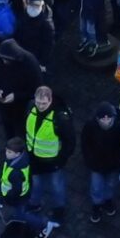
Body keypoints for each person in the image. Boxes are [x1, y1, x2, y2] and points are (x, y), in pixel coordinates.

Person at [25, 85, 75, 224]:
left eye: (44, 103)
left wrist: (61, 159)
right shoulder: (30, 107)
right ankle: (35, 204)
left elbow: (70, 141)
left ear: (50, 100)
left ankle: (59, 211)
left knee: (56, 186)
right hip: (34, 158)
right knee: (35, 183)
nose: (41, 106)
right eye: (38, 102)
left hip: (53, 161)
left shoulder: (60, 118)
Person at [0, 136, 57, 238]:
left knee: (22, 214)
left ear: (18, 154)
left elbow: (17, 190)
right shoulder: (20, 160)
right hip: (23, 194)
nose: (6, 153)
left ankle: (44, 225)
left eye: (10, 152)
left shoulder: (16, 172)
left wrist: (4, 196)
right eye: (7, 150)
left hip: (18, 198)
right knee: (21, 212)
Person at [80, 102, 120, 222]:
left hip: (113, 165)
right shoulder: (90, 126)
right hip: (96, 165)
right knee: (96, 187)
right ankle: (96, 205)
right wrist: (89, 159)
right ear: (97, 118)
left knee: (111, 184)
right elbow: (85, 144)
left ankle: (107, 201)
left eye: (109, 117)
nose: (106, 120)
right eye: (103, 118)